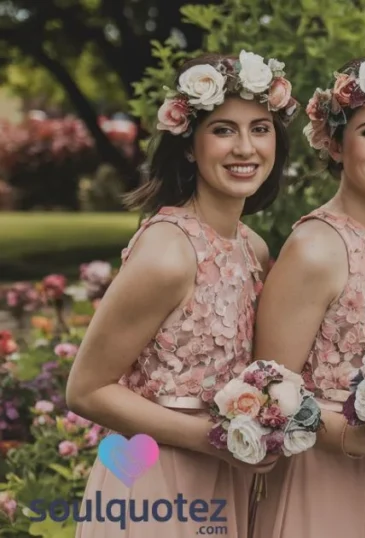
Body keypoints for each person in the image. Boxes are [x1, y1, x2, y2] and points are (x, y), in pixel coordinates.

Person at [66, 50, 298, 538]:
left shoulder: (252, 247)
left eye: (260, 128)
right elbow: (86, 389)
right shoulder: (169, 252)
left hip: (224, 479)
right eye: (223, 130)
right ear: (190, 145)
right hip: (153, 478)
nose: (245, 147)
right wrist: (217, 440)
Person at [250, 55, 365, 538]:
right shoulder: (315, 247)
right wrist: (359, 440)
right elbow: (269, 395)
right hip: (326, 484)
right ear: (336, 145)